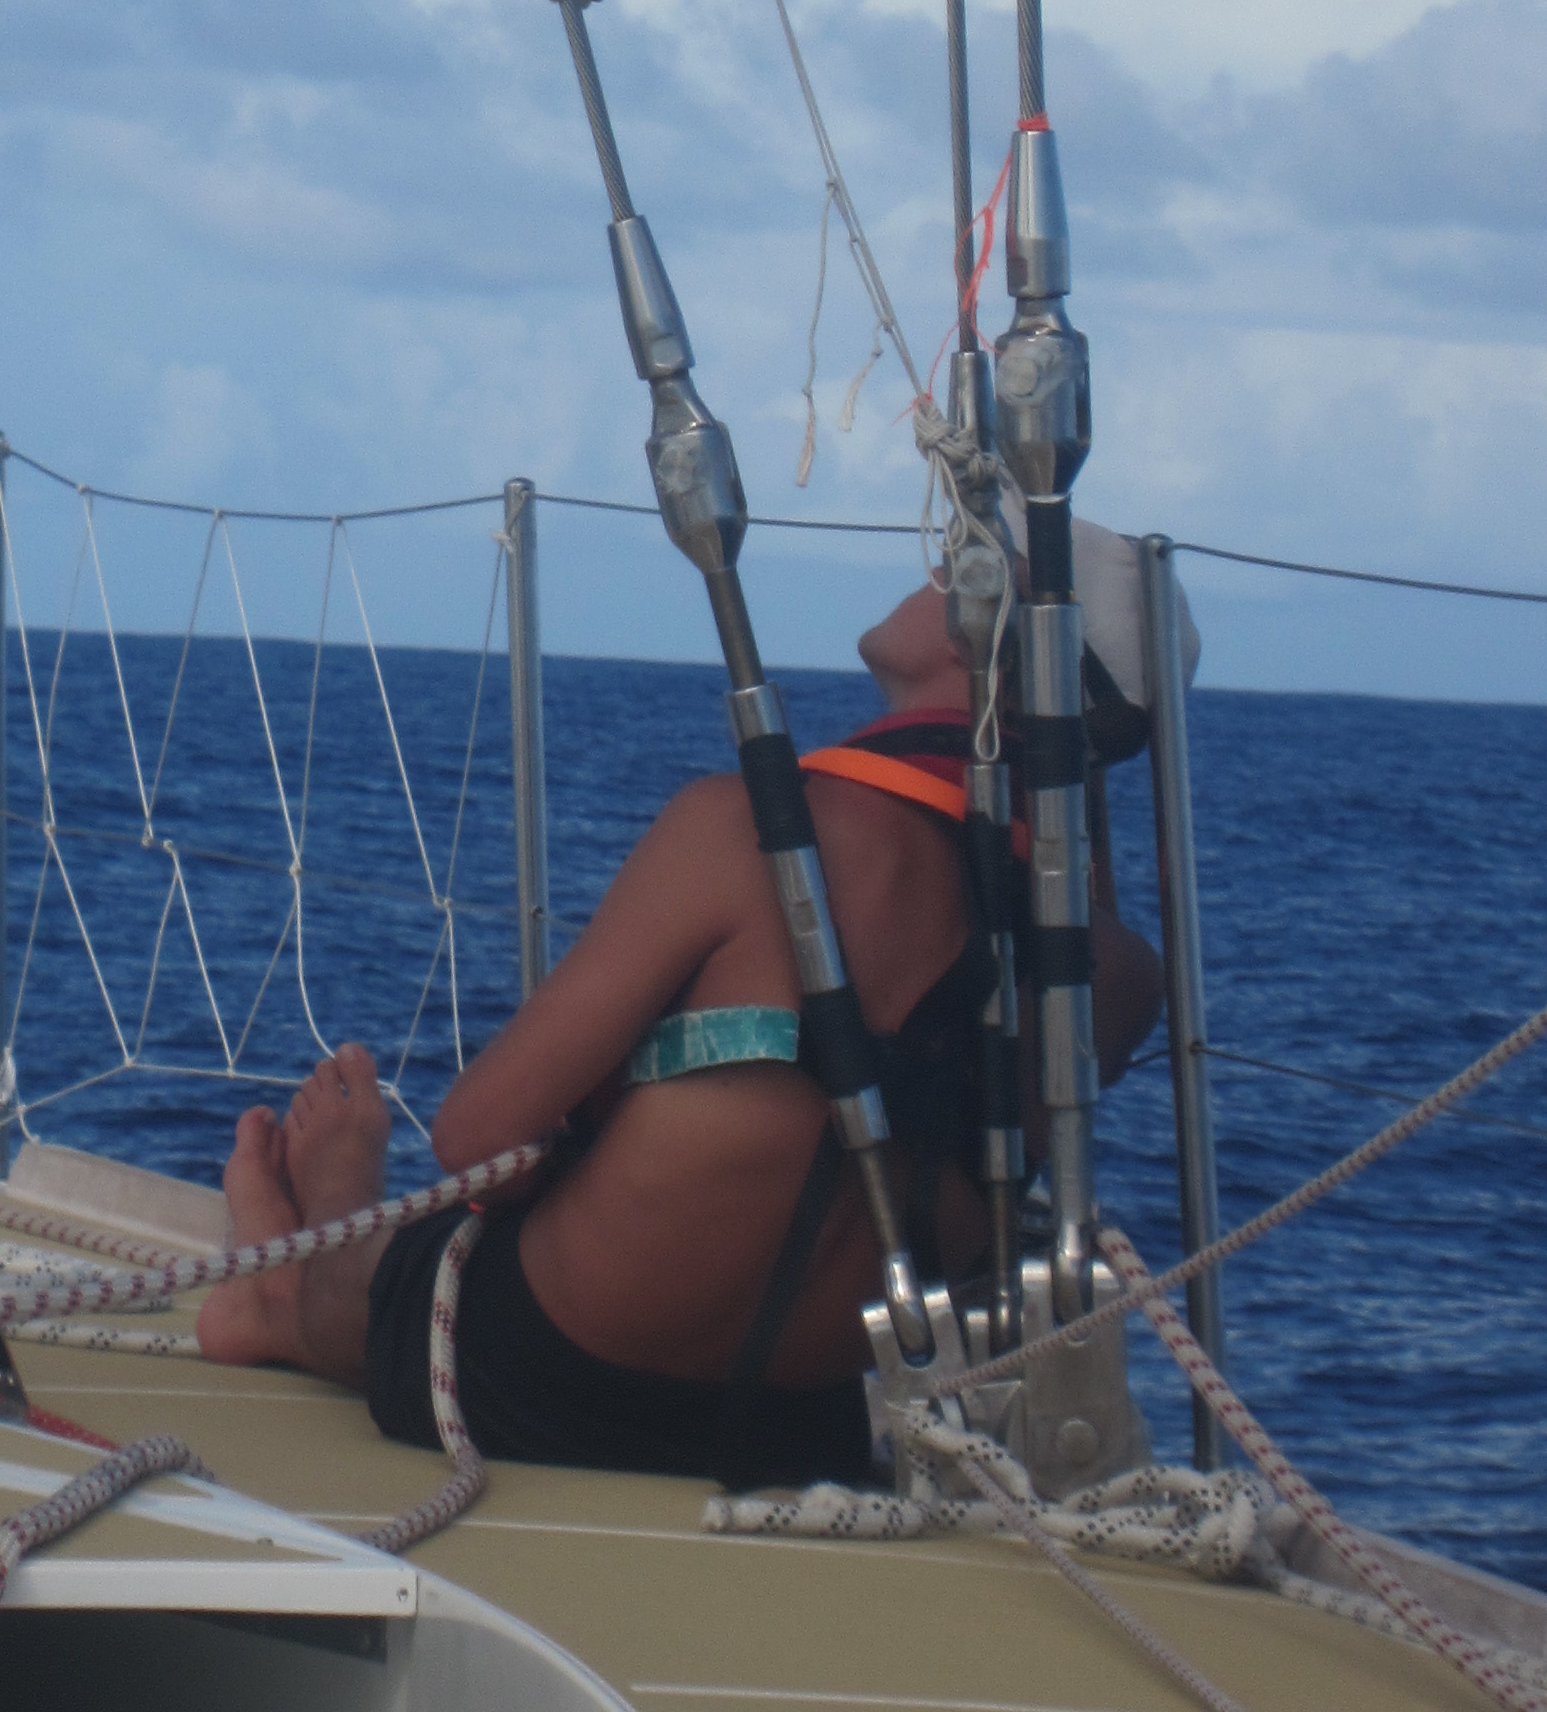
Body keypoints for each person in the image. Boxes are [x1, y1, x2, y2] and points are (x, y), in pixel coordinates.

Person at [197, 525, 1178, 1486]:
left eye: (953, 563)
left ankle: (293, 1271)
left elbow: (474, 1137)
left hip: (541, 1375)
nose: (928, 568)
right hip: (796, 1432)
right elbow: (1058, 912)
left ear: (978, 627)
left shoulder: (739, 830)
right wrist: (1068, 768)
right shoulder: (1123, 978)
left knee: (386, 1275)